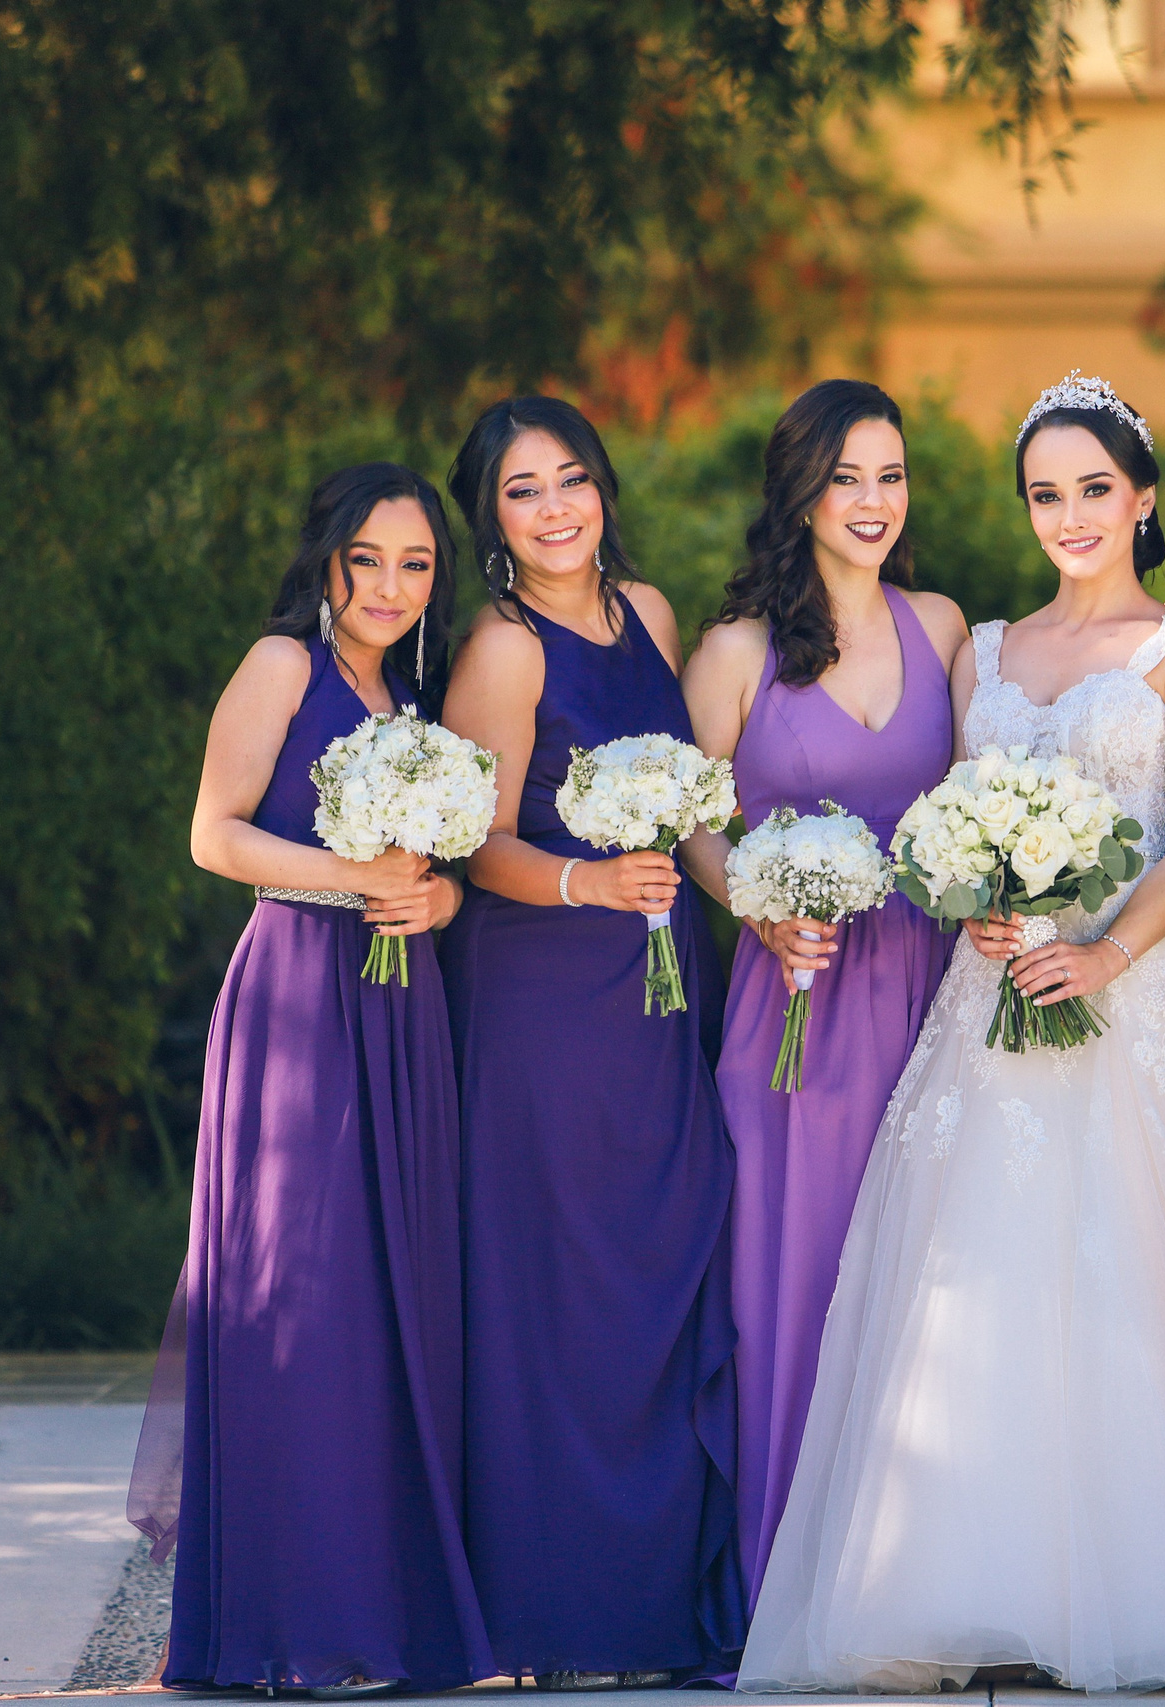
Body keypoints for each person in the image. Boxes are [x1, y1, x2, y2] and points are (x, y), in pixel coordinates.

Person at [739, 373, 1165, 1695]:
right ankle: (957, 1585)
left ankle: (1137, 1599)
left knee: (1126, 1272)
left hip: (1132, 993)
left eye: (1095, 488)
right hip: (986, 997)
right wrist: (969, 896)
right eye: (1046, 493)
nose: (1071, 515)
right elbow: (944, 820)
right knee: (971, 1268)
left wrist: (1102, 947)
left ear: (1142, 499)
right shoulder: (979, 646)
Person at [130, 463, 487, 1695]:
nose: (390, 586)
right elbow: (212, 830)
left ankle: (387, 1616)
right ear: (327, 562)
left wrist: (431, 892)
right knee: (304, 1300)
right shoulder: (283, 665)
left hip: (404, 1004)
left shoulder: (421, 696)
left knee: (393, 1305)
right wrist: (358, 880)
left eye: (416, 564)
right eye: (368, 561)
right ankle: (290, 1623)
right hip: (298, 1000)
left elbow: (442, 870)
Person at [437, 397, 741, 1686]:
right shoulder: (502, 649)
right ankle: (555, 1620)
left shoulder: (653, 615)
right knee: (559, 1290)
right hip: (544, 999)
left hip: (660, 986)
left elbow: (685, 804)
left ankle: (655, 1609)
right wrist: (586, 884)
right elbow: (469, 839)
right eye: (523, 490)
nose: (556, 507)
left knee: (659, 1271)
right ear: (490, 519)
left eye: (572, 479)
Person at [679, 379, 967, 1605]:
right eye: (846, 476)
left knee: (925, 1286)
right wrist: (754, 900)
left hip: (931, 997)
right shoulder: (736, 651)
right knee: (792, 1285)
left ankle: (904, 1586)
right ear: (798, 490)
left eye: (889, 475)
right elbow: (689, 821)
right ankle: (785, 1593)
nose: (871, 501)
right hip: (796, 1001)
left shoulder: (944, 626)